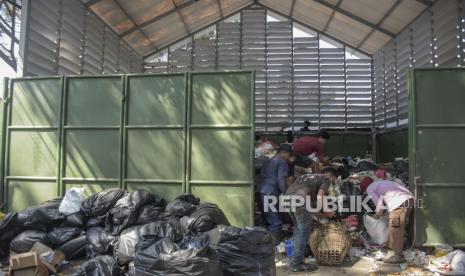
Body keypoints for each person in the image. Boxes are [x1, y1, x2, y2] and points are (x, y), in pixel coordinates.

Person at [285, 169, 337, 273]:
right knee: (303, 233)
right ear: (332, 177)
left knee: (298, 230)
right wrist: (328, 211)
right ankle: (295, 264)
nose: (331, 184)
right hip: (300, 202)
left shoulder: (305, 176)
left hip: (287, 200)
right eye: (334, 180)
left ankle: (296, 260)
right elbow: (320, 196)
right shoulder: (326, 179)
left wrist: (321, 211)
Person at [360, 177, 414, 263]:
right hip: (408, 200)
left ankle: (398, 255)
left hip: (399, 202)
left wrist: (377, 215)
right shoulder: (379, 184)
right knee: (396, 226)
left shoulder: (369, 188)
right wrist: (382, 213)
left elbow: (380, 206)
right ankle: (393, 250)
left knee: (395, 229)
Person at [257, 144, 293, 245]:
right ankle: (273, 246)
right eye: (288, 155)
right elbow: (281, 180)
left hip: (261, 191)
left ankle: (264, 244)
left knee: (266, 220)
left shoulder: (269, 160)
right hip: (270, 193)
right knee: (276, 222)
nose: (288, 157)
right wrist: (286, 194)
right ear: (284, 153)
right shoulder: (282, 162)